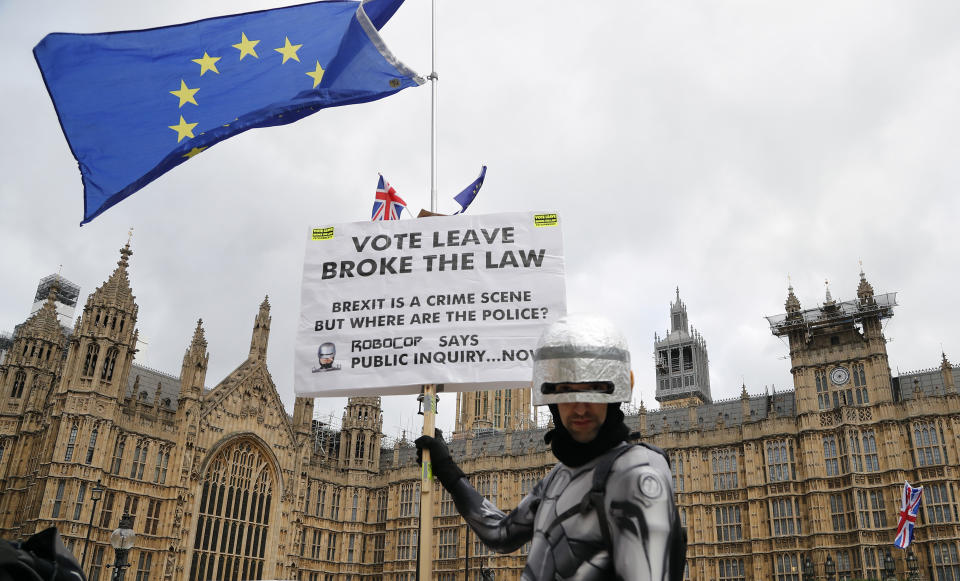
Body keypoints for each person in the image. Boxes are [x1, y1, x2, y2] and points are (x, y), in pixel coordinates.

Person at [416, 314, 686, 581]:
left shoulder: (637, 473)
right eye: (566, 390)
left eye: (592, 389)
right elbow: (501, 534)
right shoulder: (560, 476)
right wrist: (447, 471)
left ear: (616, 391)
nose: (579, 407)